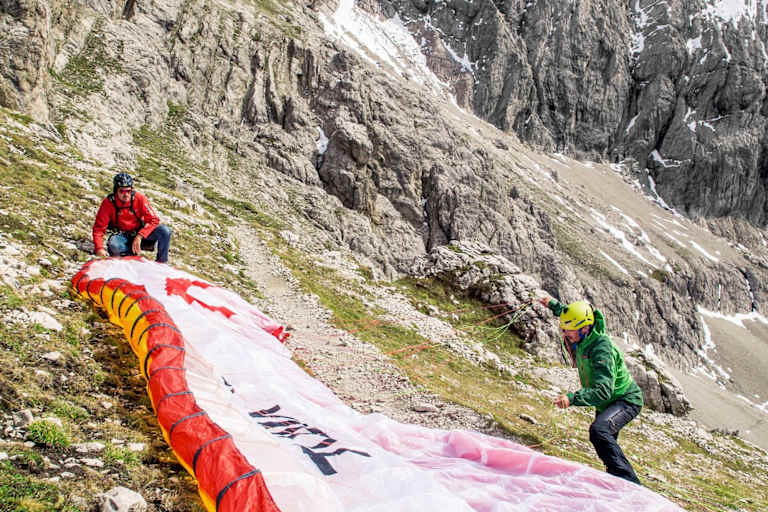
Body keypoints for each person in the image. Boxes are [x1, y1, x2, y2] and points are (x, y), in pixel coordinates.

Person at [539, 296, 643, 484]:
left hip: (625, 400)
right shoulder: (584, 331)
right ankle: (618, 481)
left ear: (585, 328)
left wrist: (572, 398)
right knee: (604, 441)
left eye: (568, 329)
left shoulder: (601, 348)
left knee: (600, 430)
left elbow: (604, 391)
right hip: (607, 403)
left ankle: (631, 484)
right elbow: (568, 313)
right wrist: (552, 305)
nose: (565, 333)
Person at [92, 172, 172, 263]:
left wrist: (139, 236)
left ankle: (162, 262)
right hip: (123, 236)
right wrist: (99, 248)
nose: (126, 194)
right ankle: (131, 257)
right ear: (116, 191)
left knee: (165, 231)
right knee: (114, 244)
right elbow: (98, 228)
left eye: (128, 191)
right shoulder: (108, 203)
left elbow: (154, 220)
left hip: (140, 233)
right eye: (122, 191)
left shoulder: (139, 198)